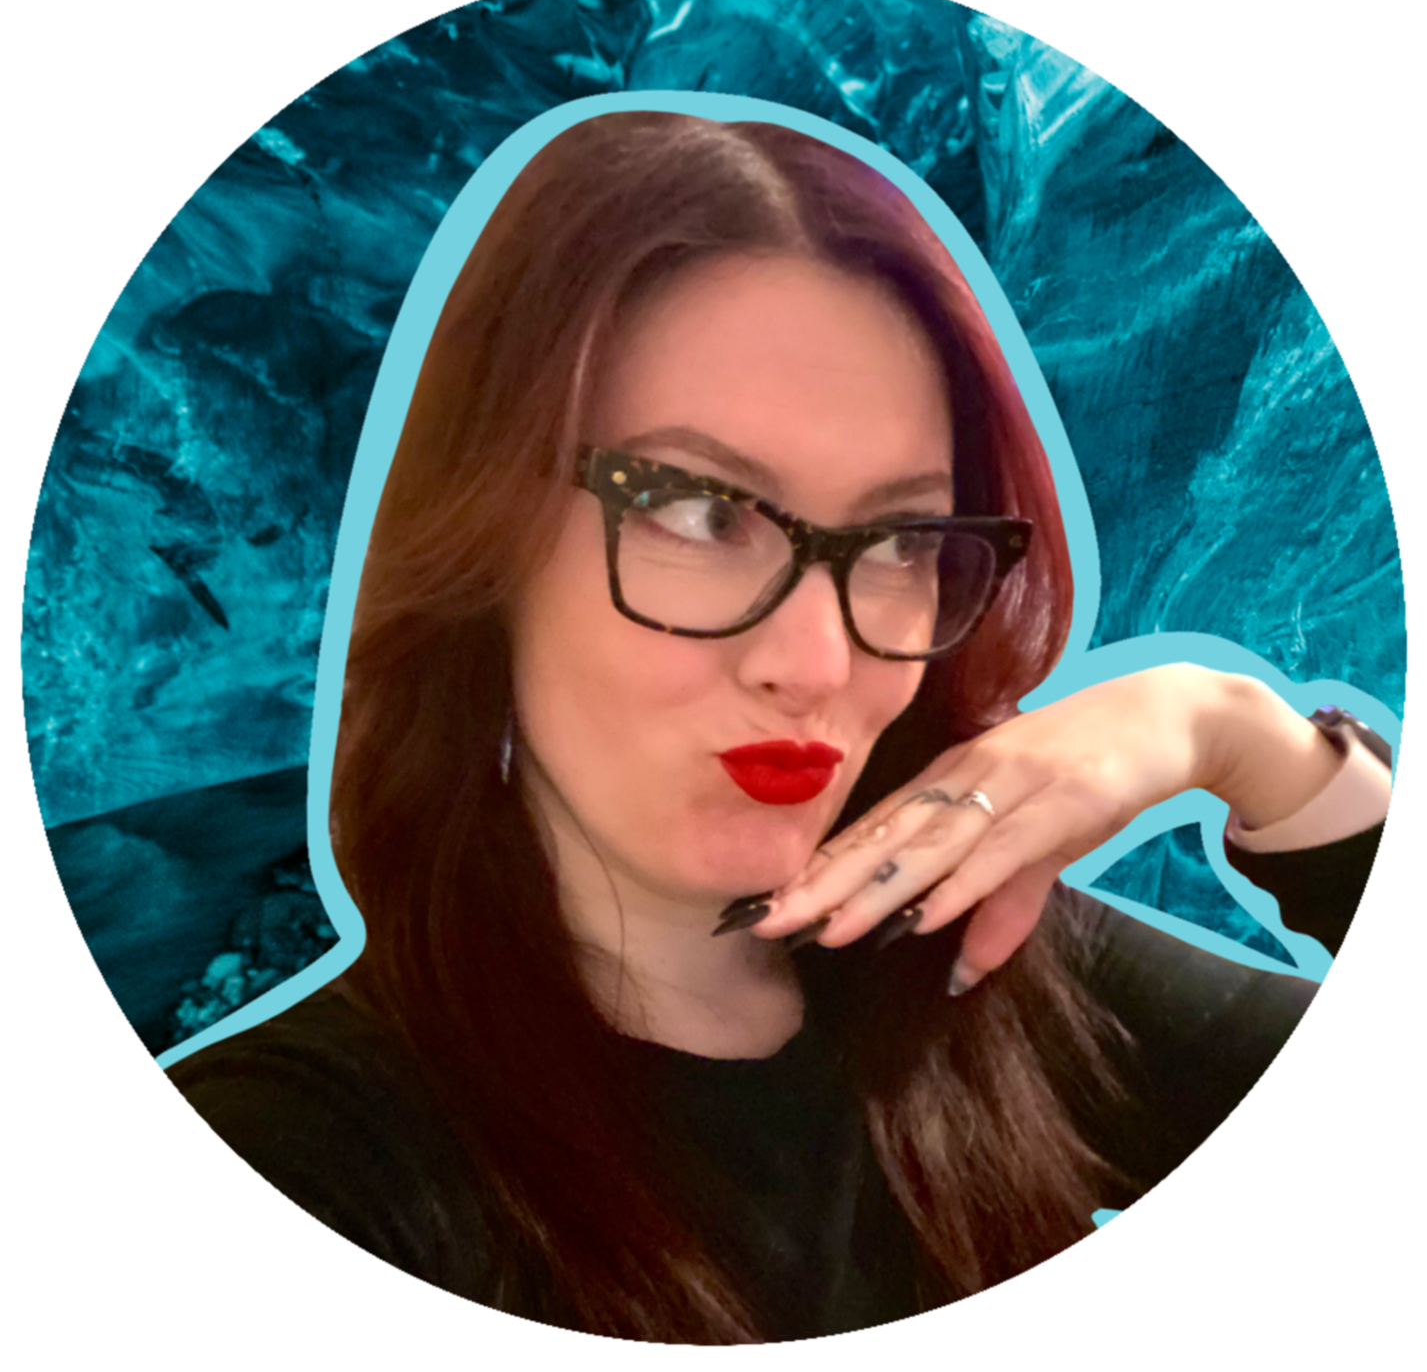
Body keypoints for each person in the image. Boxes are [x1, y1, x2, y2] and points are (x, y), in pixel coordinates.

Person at [164, 110, 1394, 1344]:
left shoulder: (996, 981)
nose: (815, 667)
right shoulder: (313, 1147)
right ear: (488, 544)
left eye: (904, 539)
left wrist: (1225, 731)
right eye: (701, 514)